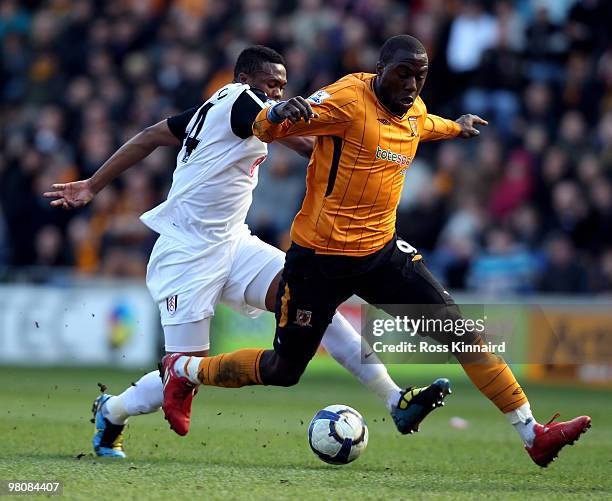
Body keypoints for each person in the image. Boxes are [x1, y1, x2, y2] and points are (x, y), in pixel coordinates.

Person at [162, 36, 591, 468]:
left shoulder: (415, 110)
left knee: (462, 334)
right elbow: (268, 128)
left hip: (381, 256)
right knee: (283, 371)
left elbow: (426, 126)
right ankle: (184, 370)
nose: (411, 85)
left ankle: (532, 432)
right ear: (380, 68)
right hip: (318, 262)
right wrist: (275, 114)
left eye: (419, 77)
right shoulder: (346, 98)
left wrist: (456, 126)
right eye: (402, 73)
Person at [45, 46, 450, 458]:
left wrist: (93, 184)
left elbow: (152, 136)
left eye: (282, 86)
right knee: (184, 373)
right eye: (271, 85)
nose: (277, 93)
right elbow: (272, 120)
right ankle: (112, 411)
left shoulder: (219, 107)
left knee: (315, 303)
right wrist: (91, 186)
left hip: (235, 244)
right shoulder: (242, 101)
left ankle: (394, 399)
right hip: (187, 254)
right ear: (244, 80)